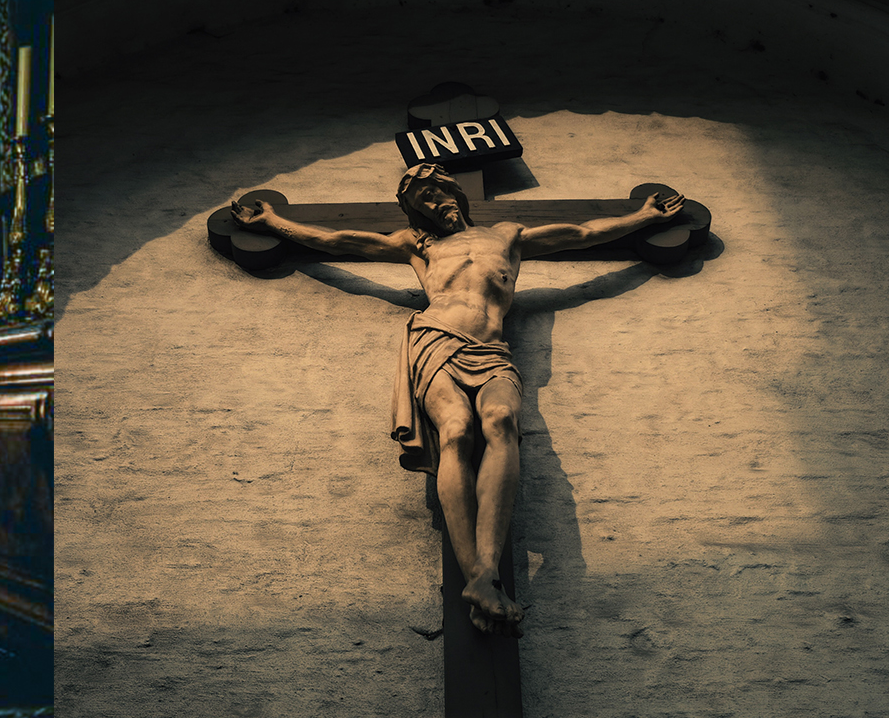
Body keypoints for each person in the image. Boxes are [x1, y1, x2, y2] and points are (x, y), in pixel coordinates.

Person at [230, 164, 683, 636]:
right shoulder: (419, 244)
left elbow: (583, 231)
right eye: (420, 200)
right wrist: (273, 224)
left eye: (434, 192)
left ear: (453, 191)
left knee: (503, 420)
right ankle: (478, 578)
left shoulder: (507, 235)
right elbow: (341, 241)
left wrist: (644, 217)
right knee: (457, 431)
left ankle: (485, 572)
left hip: (491, 349)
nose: (430, 203)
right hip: (437, 339)